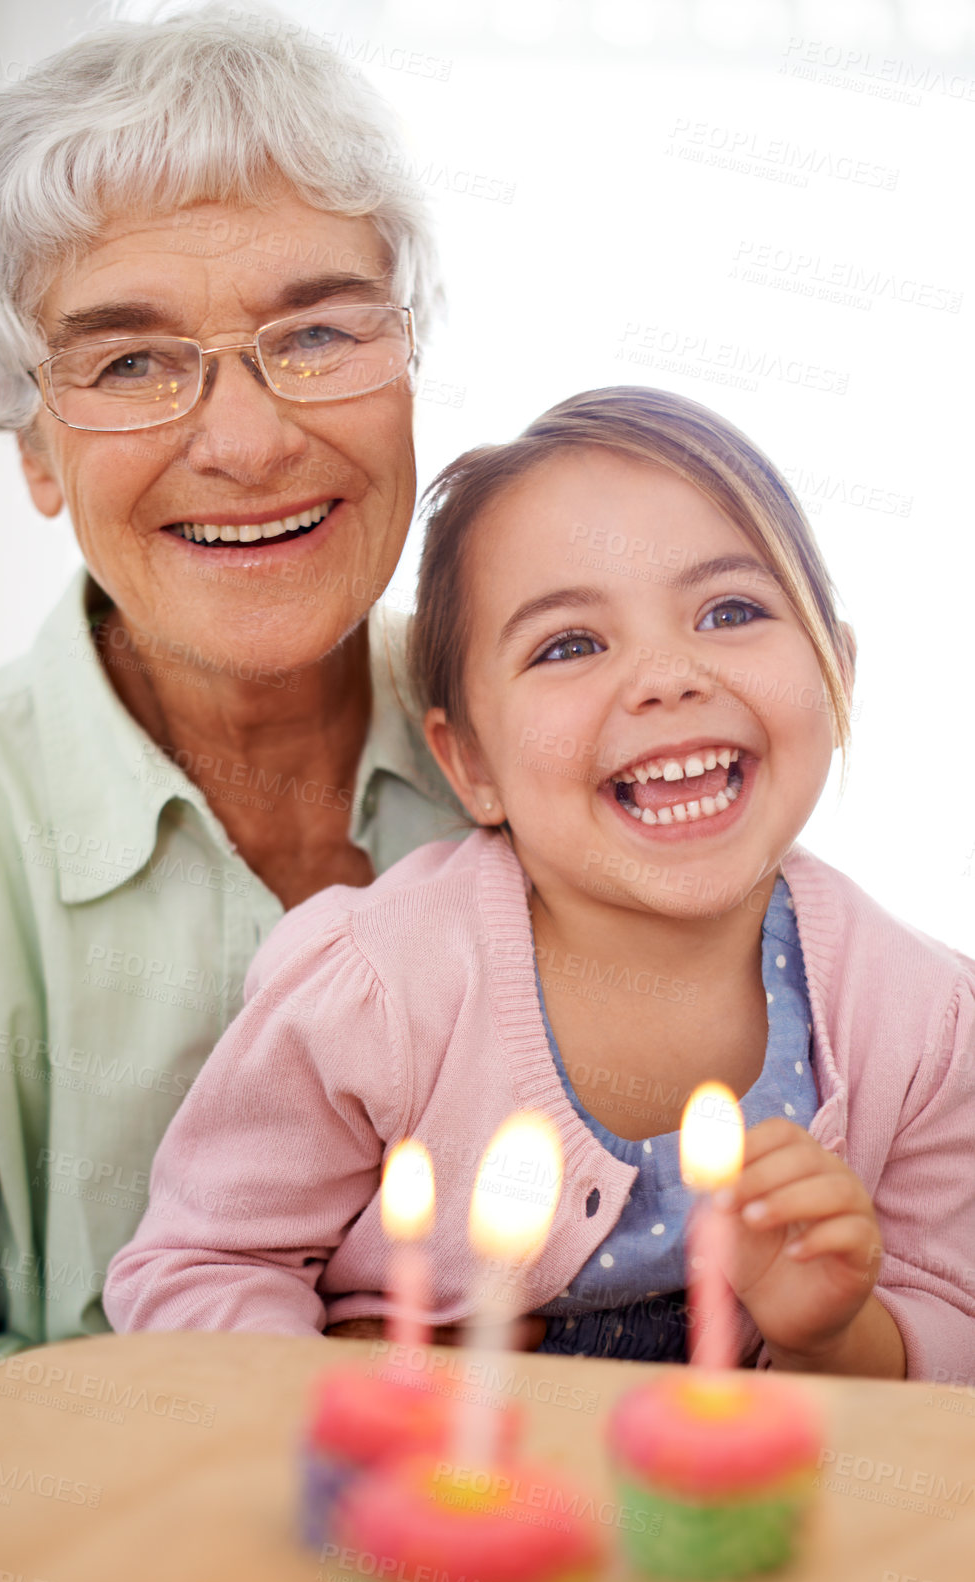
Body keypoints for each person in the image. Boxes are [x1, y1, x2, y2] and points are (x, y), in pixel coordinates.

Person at [0, 11, 465, 1499]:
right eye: (129, 362)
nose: (242, 441)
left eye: (316, 331)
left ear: (409, 365)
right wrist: (287, 1429)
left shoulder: (555, 742)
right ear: (34, 449)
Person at [104, 386, 975, 1381]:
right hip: (411, 1510)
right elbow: (198, 1266)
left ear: (836, 675)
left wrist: (838, 1335)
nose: (668, 675)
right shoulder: (380, 989)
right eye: (570, 644)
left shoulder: (926, 1022)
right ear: (469, 762)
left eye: (730, 611)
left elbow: (953, 1327)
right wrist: (348, 1398)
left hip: (733, 1523)